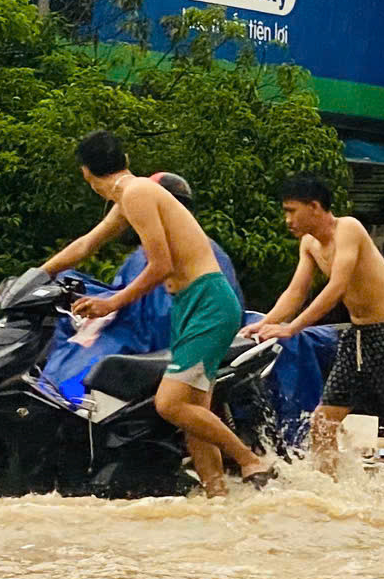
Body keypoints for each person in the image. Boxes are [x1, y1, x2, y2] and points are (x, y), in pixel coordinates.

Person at [42, 130, 274, 494]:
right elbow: (87, 243)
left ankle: (250, 461)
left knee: (170, 404)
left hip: (207, 305)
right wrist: (38, 276)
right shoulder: (130, 195)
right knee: (192, 415)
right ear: (126, 160)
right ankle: (217, 494)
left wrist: (112, 302)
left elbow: (161, 264)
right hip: (192, 305)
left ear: (85, 172)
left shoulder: (136, 194)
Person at [254, 175, 384, 496]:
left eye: (292, 211)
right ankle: (330, 498)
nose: (288, 219)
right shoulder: (309, 244)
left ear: (315, 207)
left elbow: (336, 287)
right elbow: (296, 292)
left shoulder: (348, 228)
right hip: (357, 338)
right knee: (322, 425)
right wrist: (264, 323)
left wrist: (293, 328)